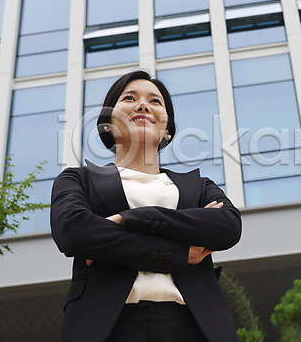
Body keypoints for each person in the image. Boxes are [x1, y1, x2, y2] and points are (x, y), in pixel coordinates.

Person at [51, 69, 242, 341]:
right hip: (108, 326)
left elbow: (228, 226)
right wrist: (178, 253)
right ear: (107, 125)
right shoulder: (78, 180)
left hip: (195, 325)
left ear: (167, 131)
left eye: (155, 101)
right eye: (129, 98)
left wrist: (128, 220)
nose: (143, 105)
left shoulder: (198, 186)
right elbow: (74, 232)